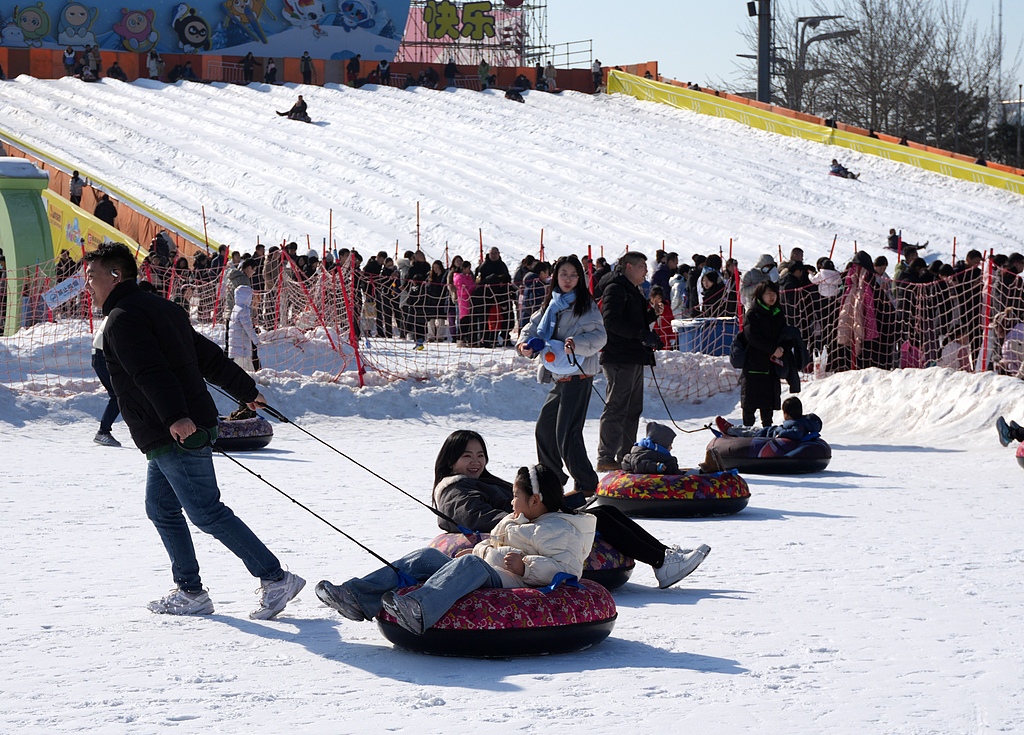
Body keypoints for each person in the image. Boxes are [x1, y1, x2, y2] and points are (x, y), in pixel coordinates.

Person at [83, 242, 304, 619]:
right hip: (171, 428)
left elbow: (150, 372)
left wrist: (175, 418)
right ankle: (190, 591)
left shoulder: (122, 317)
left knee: (205, 511)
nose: (88, 284)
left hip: (175, 428)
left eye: (92, 276)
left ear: (115, 275)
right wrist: (246, 391)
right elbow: (206, 357)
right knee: (161, 507)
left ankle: (274, 577)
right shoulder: (161, 308)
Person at [316, 463, 596, 634]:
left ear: (535, 500)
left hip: (514, 580)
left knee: (471, 566)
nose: (511, 503)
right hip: (491, 568)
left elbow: (568, 569)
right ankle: (356, 596)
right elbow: (494, 545)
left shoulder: (560, 530)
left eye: (515, 496)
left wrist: (527, 567)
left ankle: (419, 610)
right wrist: (476, 552)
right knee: (426, 557)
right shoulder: (519, 519)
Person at [429, 431, 710, 590]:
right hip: (516, 534)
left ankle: (663, 558)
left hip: (530, 521)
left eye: (480, 455)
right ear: (451, 460)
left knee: (603, 510)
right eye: (467, 456)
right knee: (599, 517)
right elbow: (476, 517)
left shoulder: (480, 481)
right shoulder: (454, 489)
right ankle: (662, 561)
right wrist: (528, 517)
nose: (476, 462)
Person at [518, 255, 607, 496]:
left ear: (580, 278)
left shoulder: (585, 305)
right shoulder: (552, 304)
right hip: (559, 376)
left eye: (573, 275)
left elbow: (600, 337)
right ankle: (552, 480)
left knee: (566, 433)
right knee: (545, 429)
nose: (568, 279)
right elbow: (531, 328)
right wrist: (524, 344)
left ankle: (587, 484)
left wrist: (577, 343)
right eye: (563, 274)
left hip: (579, 376)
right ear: (555, 276)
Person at [596, 252, 660, 472]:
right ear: (629, 267)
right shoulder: (615, 288)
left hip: (633, 355)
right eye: (643, 266)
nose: (646, 270)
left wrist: (651, 316)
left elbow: (632, 320)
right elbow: (611, 322)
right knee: (617, 406)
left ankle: (625, 454)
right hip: (619, 356)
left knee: (633, 408)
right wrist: (642, 334)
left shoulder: (631, 289)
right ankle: (605, 457)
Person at [741, 280, 786, 427]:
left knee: (768, 402)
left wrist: (783, 348)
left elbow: (784, 335)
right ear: (761, 295)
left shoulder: (778, 313)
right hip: (754, 363)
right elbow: (752, 337)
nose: (772, 297)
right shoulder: (753, 314)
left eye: (774, 293)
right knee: (750, 402)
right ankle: (746, 431)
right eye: (768, 293)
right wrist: (772, 349)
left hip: (772, 365)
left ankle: (767, 430)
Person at [716, 396, 822, 440]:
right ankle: (734, 428)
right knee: (751, 429)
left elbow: (796, 433)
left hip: (767, 434)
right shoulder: (804, 422)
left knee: (750, 431)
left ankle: (730, 430)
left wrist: (780, 432)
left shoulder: (795, 424)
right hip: (770, 431)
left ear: (787, 414)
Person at [91, 315, 123, 447]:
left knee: (124, 393)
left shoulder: (119, 311)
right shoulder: (122, 314)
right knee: (118, 395)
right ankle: (103, 432)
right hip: (103, 356)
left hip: (103, 355)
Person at [228, 284, 260, 372]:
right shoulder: (243, 310)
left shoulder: (236, 307)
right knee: (245, 369)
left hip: (236, 345)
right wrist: (256, 340)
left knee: (238, 367)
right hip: (241, 347)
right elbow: (248, 327)